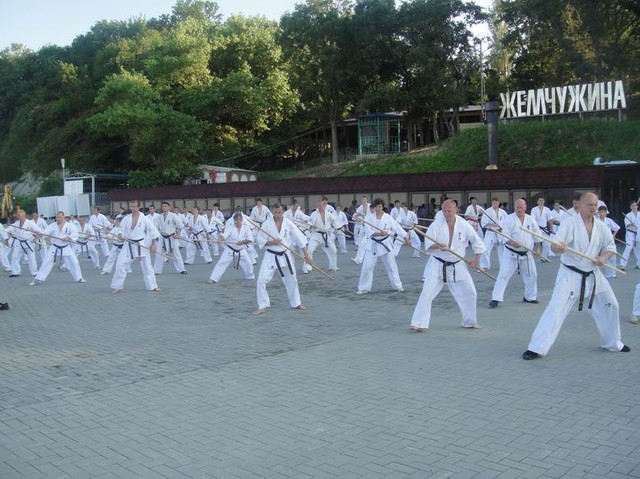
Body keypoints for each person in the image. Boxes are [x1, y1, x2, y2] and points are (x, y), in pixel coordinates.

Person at [522, 192, 629, 360]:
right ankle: (536, 347)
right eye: (589, 204)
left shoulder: (601, 226)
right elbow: (555, 245)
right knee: (555, 309)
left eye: (595, 205)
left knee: (612, 305)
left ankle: (613, 343)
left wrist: (603, 258)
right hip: (570, 274)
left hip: (593, 274)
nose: (593, 208)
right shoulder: (570, 223)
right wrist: (560, 248)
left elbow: (610, 247)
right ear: (580, 205)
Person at [410, 199, 486, 331]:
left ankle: (469, 322)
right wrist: (438, 246)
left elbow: (476, 241)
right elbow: (428, 244)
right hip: (437, 264)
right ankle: (418, 323)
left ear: (456, 210)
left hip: (457, 264)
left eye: (449, 211)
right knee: (427, 293)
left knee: (470, 292)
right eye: (444, 211)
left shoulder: (464, 224)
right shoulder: (436, 224)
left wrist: (476, 260)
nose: (446, 213)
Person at [253, 203, 312, 315]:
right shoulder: (267, 224)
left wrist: (307, 256)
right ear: (273, 211)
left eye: (279, 212)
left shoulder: (288, 223)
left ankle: (297, 303)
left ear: (283, 211)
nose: (277, 215)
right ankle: (262, 305)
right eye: (275, 212)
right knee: (261, 280)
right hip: (271, 255)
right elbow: (260, 239)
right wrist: (271, 242)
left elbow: (300, 239)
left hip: (285, 255)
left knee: (292, 280)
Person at [488, 199, 542, 308]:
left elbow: (537, 235)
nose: (519, 209)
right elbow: (504, 236)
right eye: (517, 207)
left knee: (532, 276)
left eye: (521, 207)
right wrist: (513, 243)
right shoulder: (509, 219)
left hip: (526, 253)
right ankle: (496, 298)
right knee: (503, 275)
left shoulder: (530, 219)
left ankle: (529, 297)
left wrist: (537, 249)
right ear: (514, 207)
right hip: (511, 253)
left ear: (525, 207)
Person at [355, 198, 409, 295]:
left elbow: (397, 227)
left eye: (379, 206)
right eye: (376, 207)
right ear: (374, 207)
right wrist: (380, 233)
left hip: (385, 244)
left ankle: (397, 286)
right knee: (367, 267)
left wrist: (406, 238)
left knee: (392, 266)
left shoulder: (387, 217)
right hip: (373, 244)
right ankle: (363, 288)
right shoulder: (369, 217)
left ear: (382, 207)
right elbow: (368, 231)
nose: (378, 209)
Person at [110, 200, 161, 294]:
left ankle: (153, 286)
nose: (132, 208)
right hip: (128, 244)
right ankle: (118, 286)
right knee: (120, 264)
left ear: (138, 207)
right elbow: (121, 229)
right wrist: (120, 235)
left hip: (141, 244)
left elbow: (153, 230)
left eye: (134, 206)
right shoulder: (126, 218)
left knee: (147, 266)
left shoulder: (144, 218)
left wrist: (153, 244)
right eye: (131, 207)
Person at [30, 211, 86, 285]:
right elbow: (46, 233)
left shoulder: (69, 225)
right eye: (57, 217)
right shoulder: (52, 226)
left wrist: (68, 238)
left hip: (66, 247)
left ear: (63, 217)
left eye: (60, 217)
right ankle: (38, 278)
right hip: (55, 247)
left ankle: (79, 278)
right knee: (46, 261)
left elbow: (74, 233)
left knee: (74, 262)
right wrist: (39, 235)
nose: (58, 219)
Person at [207, 212, 254, 284]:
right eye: (235, 220)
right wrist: (220, 239)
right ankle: (213, 278)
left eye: (238, 220)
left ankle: (250, 276)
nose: (236, 222)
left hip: (241, 250)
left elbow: (250, 239)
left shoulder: (246, 228)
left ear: (241, 220)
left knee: (249, 264)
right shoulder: (230, 228)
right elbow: (224, 235)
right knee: (221, 263)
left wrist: (242, 242)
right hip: (230, 250)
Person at [304, 197, 340, 274]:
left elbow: (334, 221)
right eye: (318, 206)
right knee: (309, 250)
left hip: (325, 236)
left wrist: (336, 229)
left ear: (323, 205)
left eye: (321, 206)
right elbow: (309, 223)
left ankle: (333, 266)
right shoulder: (314, 214)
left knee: (334, 250)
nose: (320, 207)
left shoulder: (328, 214)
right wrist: (311, 226)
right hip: (315, 236)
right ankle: (307, 267)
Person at [153, 201, 187, 275]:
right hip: (162, 237)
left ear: (168, 207)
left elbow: (180, 226)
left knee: (176, 254)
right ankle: (157, 270)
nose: (164, 208)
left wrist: (177, 234)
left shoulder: (173, 215)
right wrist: (157, 232)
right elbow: (155, 227)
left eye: (165, 206)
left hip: (172, 237)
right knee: (159, 254)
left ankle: (181, 269)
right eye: (163, 206)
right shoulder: (159, 216)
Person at [7, 209, 42, 277]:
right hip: (19, 243)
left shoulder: (30, 223)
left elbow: (39, 231)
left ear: (24, 215)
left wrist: (35, 238)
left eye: (19, 215)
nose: (18, 217)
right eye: (18, 215)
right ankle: (16, 272)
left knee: (31, 258)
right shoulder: (17, 223)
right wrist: (7, 231)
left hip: (28, 243)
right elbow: (10, 228)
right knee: (14, 257)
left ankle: (34, 273)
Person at [479, 197, 508, 271]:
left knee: (502, 251)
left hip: (500, 233)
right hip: (490, 232)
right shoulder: (488, 211)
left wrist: (503, 228)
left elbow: (507, 221)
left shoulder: (502, 212)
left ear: (499, 203)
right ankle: (484, 265)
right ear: (492, 203)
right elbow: (484, 223)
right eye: (494, 203)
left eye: (497, 203)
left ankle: (503, 266)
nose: (495, 204)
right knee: (485, 249)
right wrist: (491, 224)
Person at [596, 205, 620, 279]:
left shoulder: (609, 220)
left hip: (609, 241)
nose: (601, 214)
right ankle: (606, 274)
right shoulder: (596, 221)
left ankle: (612, 274)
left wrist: (613, 235)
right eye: (600, 212)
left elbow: (617, 228)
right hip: (600, 241)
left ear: (606, 212)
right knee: (603, 257)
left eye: (603, 212)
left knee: (612, 257)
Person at [530, 197, 553, 261]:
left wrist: (551, 227)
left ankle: (544, 257)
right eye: (540, 200)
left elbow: (550, 219)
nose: (541, 202)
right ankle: (530, 256)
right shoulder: (534, 209)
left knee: (547, 244)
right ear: (537, 202)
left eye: (542, 200)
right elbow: (532, 219)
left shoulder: (547, 209)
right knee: (534, 243)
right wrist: (534, 227)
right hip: (536, 228)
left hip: (544, 229)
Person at [620, 201, 640, 271]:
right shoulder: (628, 215)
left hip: (638, 233)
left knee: (638, 249)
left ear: (637, 206)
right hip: (630, 233)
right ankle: (623, 265)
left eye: (635, 205)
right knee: (628, 248)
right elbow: (628, 225)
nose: (634, 207)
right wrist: (632, 224)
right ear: (630, 207)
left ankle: (639, 264)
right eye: (632, 206)